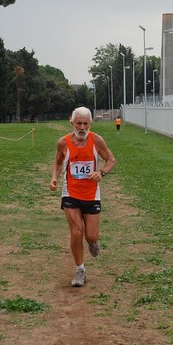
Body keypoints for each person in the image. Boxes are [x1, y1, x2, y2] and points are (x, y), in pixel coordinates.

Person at [49, 107, 117, 287]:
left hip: (91, 194)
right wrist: (54, 178)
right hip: (70, 192)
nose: (82, 127)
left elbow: (111, 160)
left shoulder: (97, 141)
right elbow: (57, 162)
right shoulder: (63, 142)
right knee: (76, 232)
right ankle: (80, 271)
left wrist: (101, 172)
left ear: (91, 123)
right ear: (71, 122)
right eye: (78, 123)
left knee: (91, 235)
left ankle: (93, 242)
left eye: (85, 123)